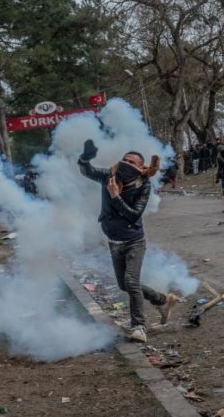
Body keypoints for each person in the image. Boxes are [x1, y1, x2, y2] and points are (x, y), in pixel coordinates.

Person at [77, 140, 178, 343]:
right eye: (124, 159)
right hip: (114, 242)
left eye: (132, 161)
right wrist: (85, 158)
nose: (126, 162)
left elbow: (133, 215)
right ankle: (162, 300)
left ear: (141, 168)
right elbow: (87, 171)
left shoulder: (143, 185)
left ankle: (139, 327)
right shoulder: (109, 176)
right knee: (124, 285)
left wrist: (115, 196)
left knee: (131, 282)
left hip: (134, 242)